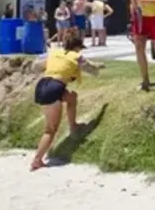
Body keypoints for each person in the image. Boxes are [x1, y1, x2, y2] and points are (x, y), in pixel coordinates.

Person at [29, 36, 104, 171]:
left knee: (71, 97)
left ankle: (73, 125)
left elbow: (36, 66)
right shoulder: (77, 56)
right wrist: (99, 66)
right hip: (54, 88)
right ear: (77, 47)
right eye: (80, 48)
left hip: (42, 85)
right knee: (50, 130)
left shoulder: (55, 53)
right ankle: (37, 160)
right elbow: (92, 69)